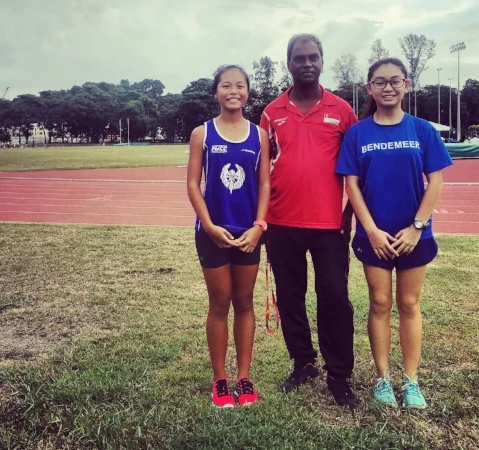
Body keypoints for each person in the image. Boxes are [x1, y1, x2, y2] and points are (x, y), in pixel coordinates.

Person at [336, 58, 453, 409]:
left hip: (414, 235)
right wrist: (371, 230)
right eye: (380, 82)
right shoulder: (358, 133)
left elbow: (435, 182)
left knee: (409, 304)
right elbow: (351, 186)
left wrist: (417, 228)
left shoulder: (422, 130)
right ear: (370, 88)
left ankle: (411, 381)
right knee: (380, 303)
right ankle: (383, 378)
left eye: (395, 81)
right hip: (375, 237)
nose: (388, 87)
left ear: (407, 84)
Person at [260, 33, 359, 408]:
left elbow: (355, 169)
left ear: (322, 61)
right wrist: (262, 219)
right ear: (289, 63)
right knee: (290, 297)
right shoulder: (272, 112)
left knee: (334, 297)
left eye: (313, 57)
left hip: (329, 225)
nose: (307, 63)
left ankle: (339, 375)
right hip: (281, 222)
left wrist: (348, 214)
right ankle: (303, 363)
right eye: (299, 58)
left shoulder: (342, 110)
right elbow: (263, 170)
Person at [187, 65, 270, 408]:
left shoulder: (259, 135)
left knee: (245, 301)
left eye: (239, 86)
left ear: (247, 92)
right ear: (216, 92)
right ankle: (220, 379)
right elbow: (193, 184)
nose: (233, 91)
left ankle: (244, 377)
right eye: (225, 85)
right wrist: (208, 225)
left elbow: (265, 183)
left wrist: (259, 226)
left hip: (248, 233)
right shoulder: (202, 133)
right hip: (212, 232)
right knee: (220, 303)